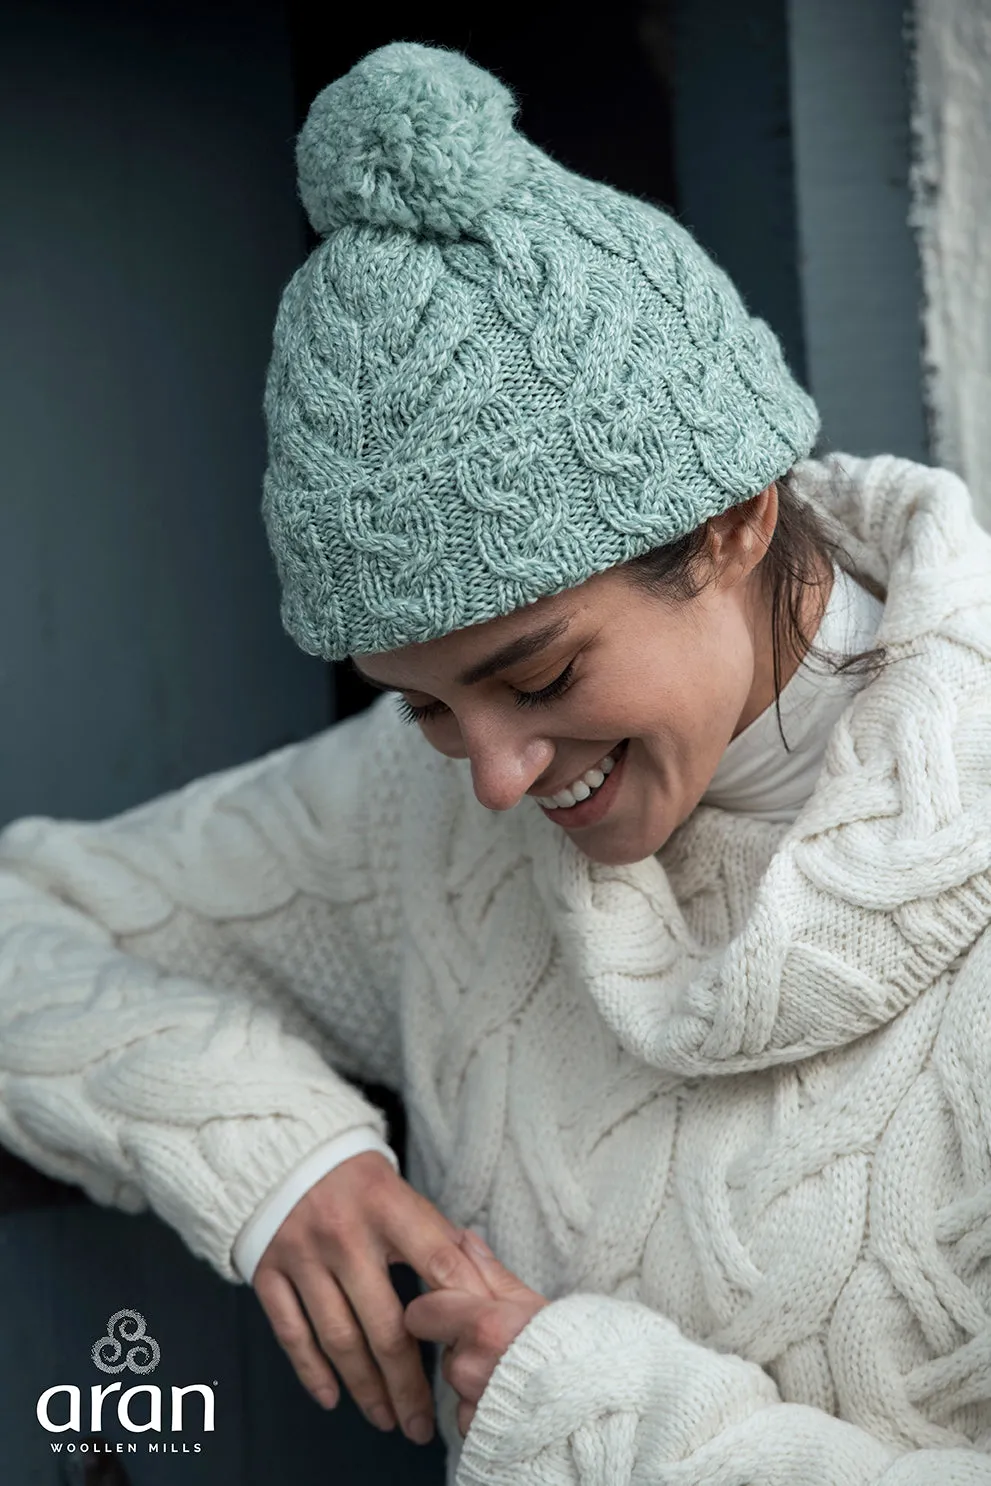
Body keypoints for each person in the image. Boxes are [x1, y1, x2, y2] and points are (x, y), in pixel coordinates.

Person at [2, 37, 990, 1486]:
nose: (495, 778)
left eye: (537, 674)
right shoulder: (422, 819)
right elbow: (26, 923)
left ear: (729, 521)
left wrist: (598, 1416)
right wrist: (268, 1151)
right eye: (424, 707)